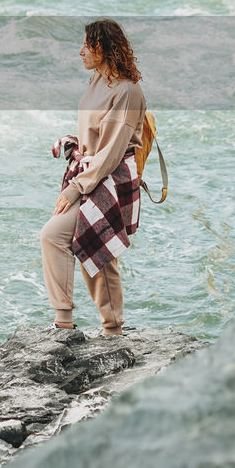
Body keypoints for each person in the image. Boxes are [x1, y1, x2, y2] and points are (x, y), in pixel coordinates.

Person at [40, 18, 147, 336]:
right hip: (91, 172)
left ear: (105, 48)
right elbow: (98, 135)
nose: (81, 51)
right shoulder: (98, 81)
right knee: (95, 248)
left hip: (109, 179)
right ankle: (111, 327)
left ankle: (67, 322)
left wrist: (75, 189)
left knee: (57, 236)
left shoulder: (127, 92)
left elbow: (112, 151)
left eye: (88, 45)